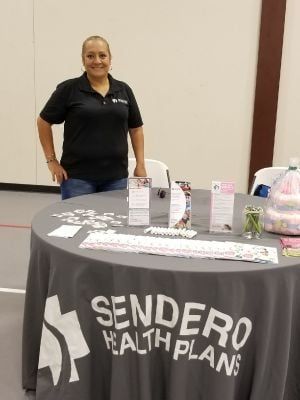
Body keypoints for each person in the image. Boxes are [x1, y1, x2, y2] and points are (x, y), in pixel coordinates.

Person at [37, 35, 146, 200]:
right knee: (78, 225)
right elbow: (43, 122)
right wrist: (51, 161)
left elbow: (136, 129)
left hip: (117, 178)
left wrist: (140, 164)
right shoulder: (69, 89)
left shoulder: (123, 90)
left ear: (110, 59)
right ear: (83, 60)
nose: (97, 61)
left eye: (102, 55)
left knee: (114, 225)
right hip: (77, 180)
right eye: (90, 56)